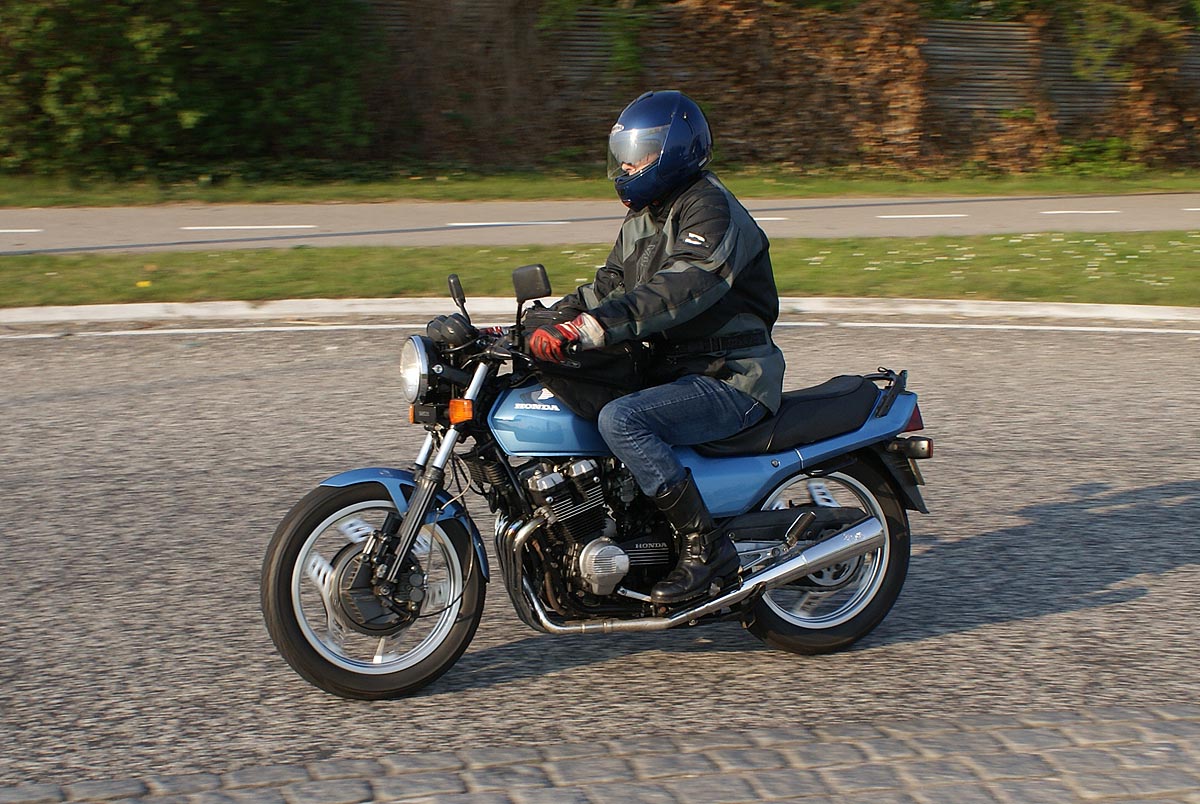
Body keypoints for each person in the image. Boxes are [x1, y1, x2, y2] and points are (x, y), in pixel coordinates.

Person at [528, 90, 786, 605]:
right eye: (623, 153)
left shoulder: (710, 209)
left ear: (676, 150)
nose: (626, 165)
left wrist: (593, 327)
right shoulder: (645, 216)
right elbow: (607, 287)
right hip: (674, 370)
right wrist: (539, 323)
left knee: (622, 420)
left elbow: (683, 286)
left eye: (639, 152)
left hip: (731, 375)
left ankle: (705, 547)